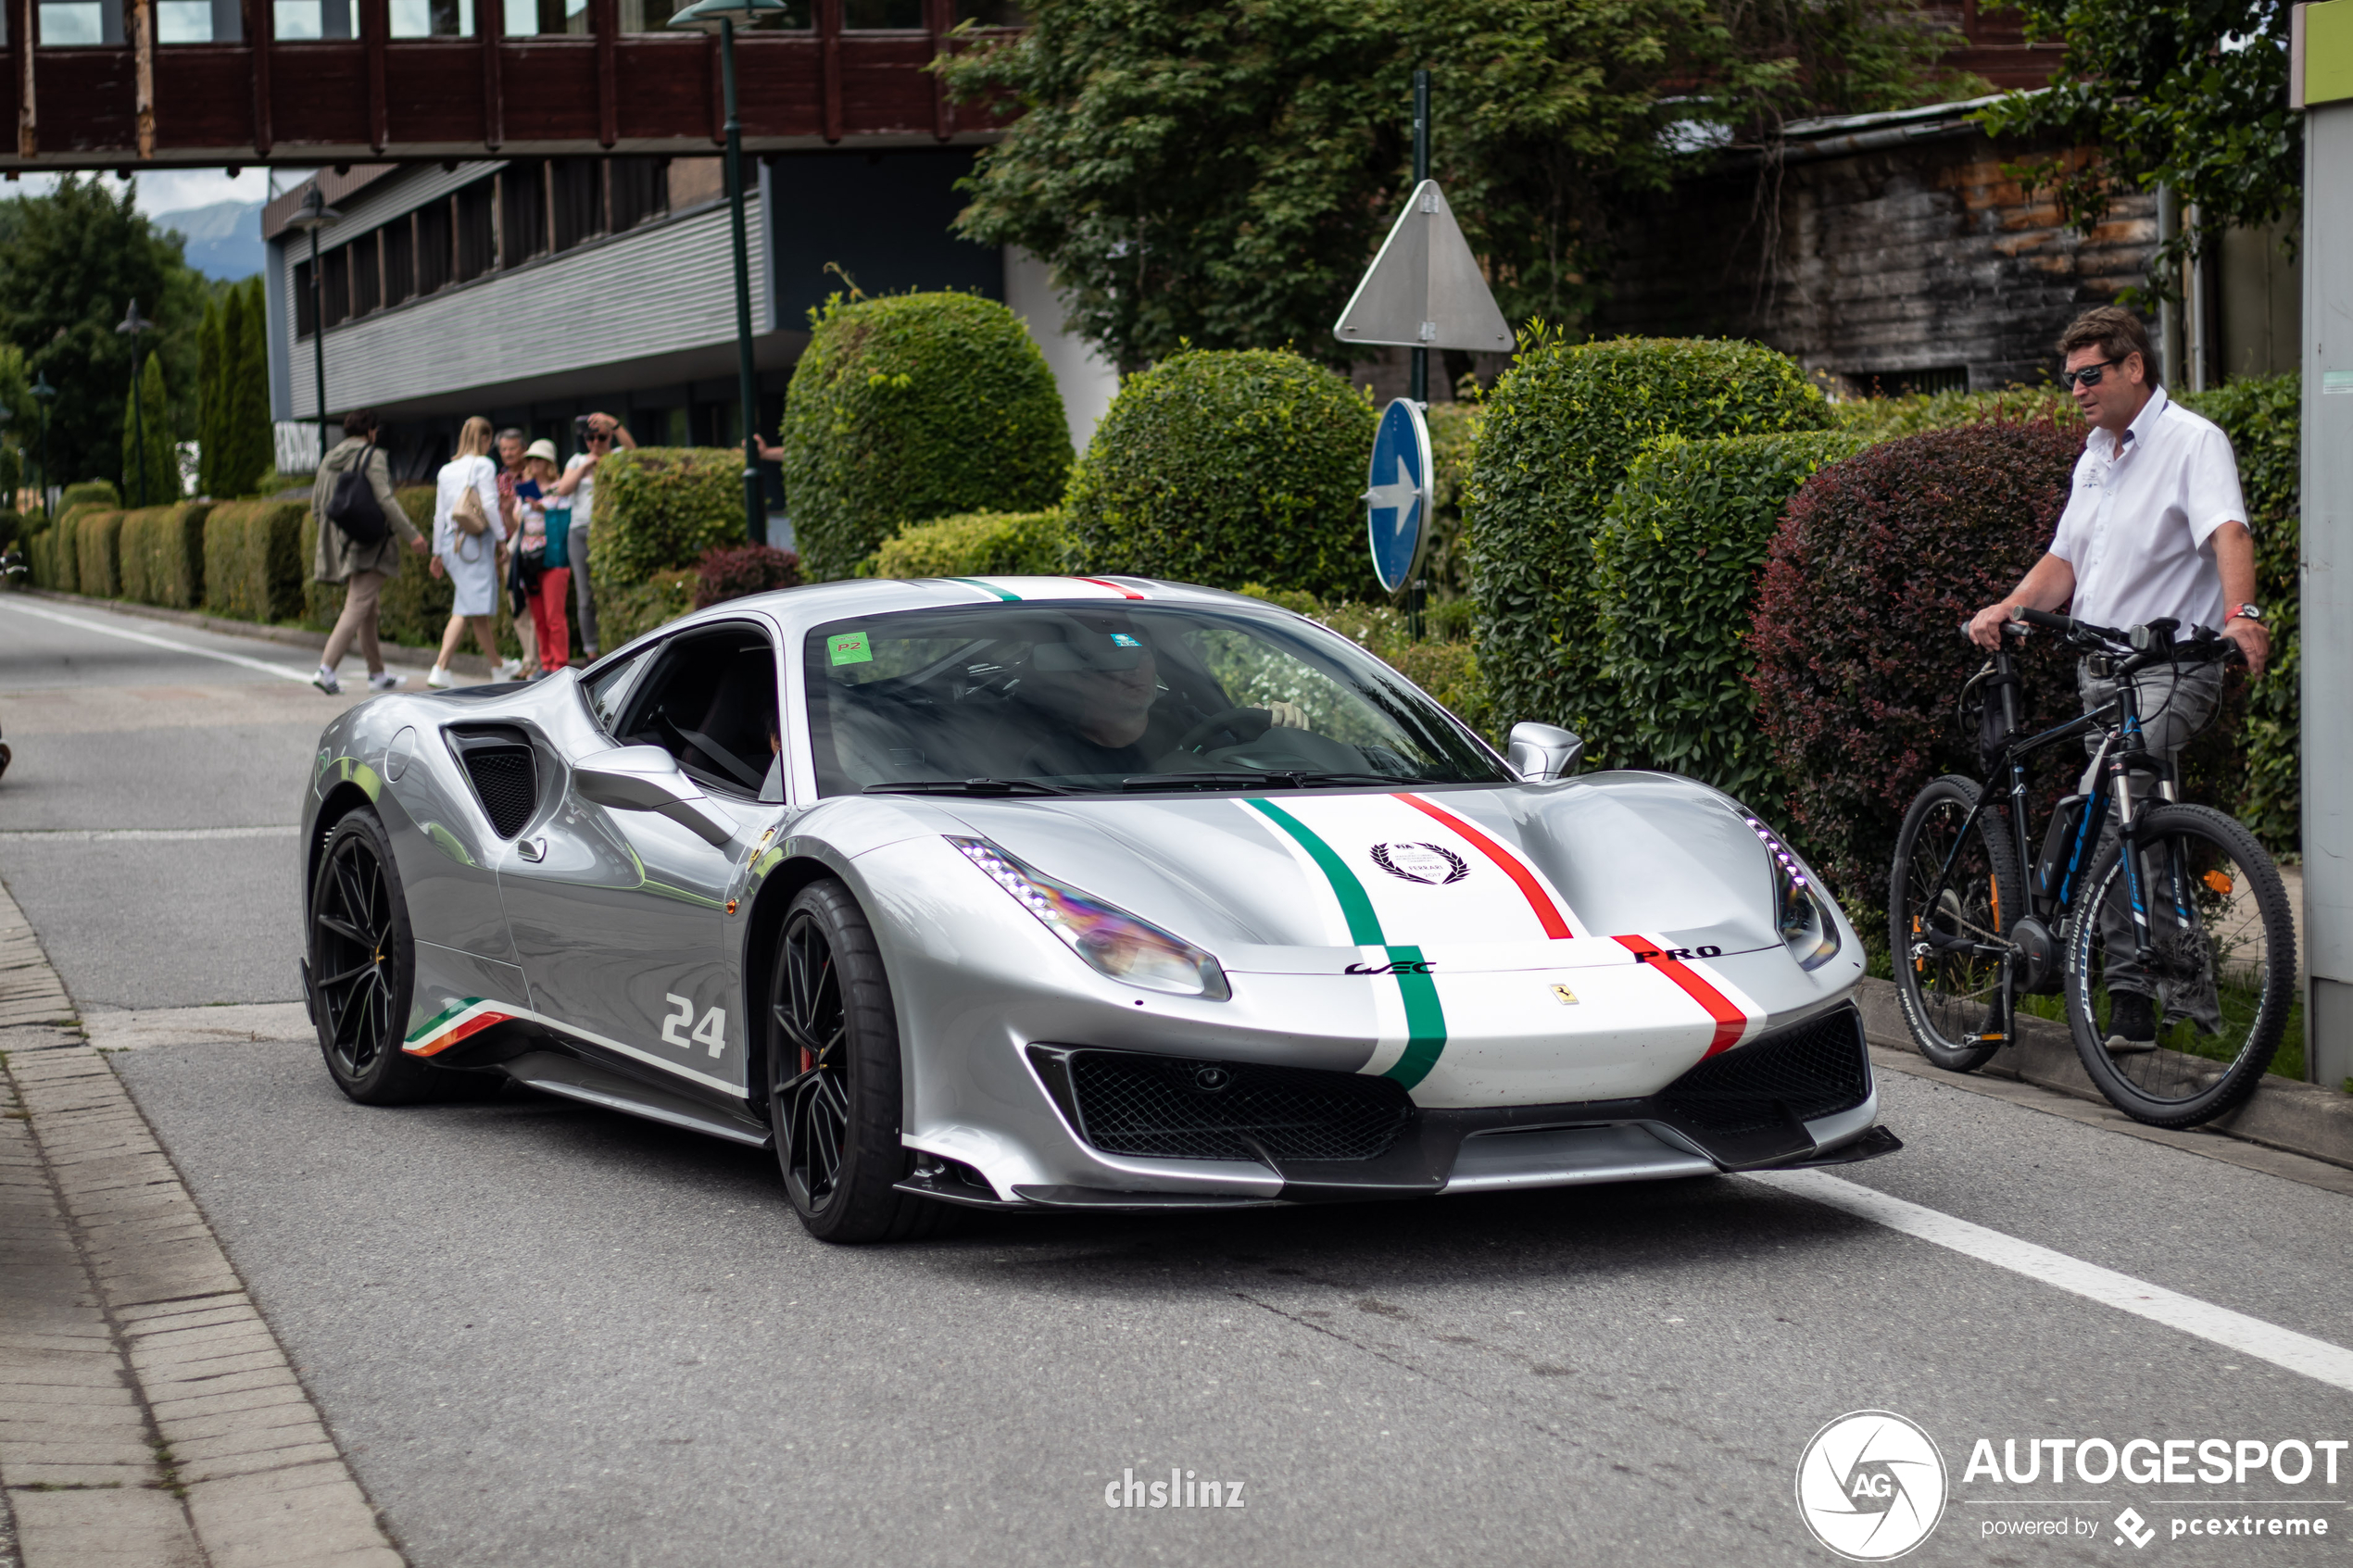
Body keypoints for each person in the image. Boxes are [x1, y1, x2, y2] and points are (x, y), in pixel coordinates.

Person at [1966, 305, 2269, 1051]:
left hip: (2171, 670)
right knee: (2132, 822)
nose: (2076, 390)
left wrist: (2243, 613)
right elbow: (2064, 560)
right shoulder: (2096, 455)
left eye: (2089, 375)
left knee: (2111, 813)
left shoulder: (2193, 442)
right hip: (2099, 670)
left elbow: (2228, 529)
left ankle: (2130, 995)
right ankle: (2166, 991)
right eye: (2069, 379)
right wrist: (2009, 605)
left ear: (2134, 366)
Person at [308, 408, 429, 696]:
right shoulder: (372, 455)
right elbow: (385, 499)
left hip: (344, 541)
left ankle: (377, 673)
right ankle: (326, 669)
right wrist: (412, 534)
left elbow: (316, 508)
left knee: (368, 609)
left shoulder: (329, 458)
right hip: (372, 542)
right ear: (371, 431)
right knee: (358, 605)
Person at [544, 412, 636, 663]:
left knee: (613, 589)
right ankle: (591, 652)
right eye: (590, 438)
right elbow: (563, 489)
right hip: (580, 531)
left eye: (601, 437)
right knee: (585, 596)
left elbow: (633, 451)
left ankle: (621, 646)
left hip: (608, 530)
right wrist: (586, 466)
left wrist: (614, 423)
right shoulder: (577, 460)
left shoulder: (616, 458)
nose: (595, 443)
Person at [425, 417, 506, 690]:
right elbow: (491, 505)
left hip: (450, 543)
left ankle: (498, 667)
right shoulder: (484, 464)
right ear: (485, 438)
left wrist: (436, 553)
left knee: (472, 605)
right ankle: (440, 666)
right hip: (474, 543)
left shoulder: (446, 470)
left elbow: (439, 515)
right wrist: (502, 539)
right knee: (467, 606)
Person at [513, 439, 574, 675]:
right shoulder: (525, 489)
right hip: (530, 561)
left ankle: (559, 666)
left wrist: (544, 509)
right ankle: (546, 663)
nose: (533, 463)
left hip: (554, 559)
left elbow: (565, 517)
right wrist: (510, 507)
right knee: (538, 617)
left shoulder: (561, 488)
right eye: (530, 459)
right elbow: (515, 524)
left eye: (538, 459)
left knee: (554, 617)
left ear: (549, 462)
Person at [491, 427, 533, 681]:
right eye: (503, 449)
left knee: (533, 604)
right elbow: (502, 522)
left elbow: (536, 516)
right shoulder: (500, 480)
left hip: (531, 549)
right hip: (509, 549)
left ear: (523, 449)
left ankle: (534, 661)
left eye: (512, 448)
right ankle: (528, 658)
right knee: (517, 605)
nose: (507, 453)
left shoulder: (533, 474)